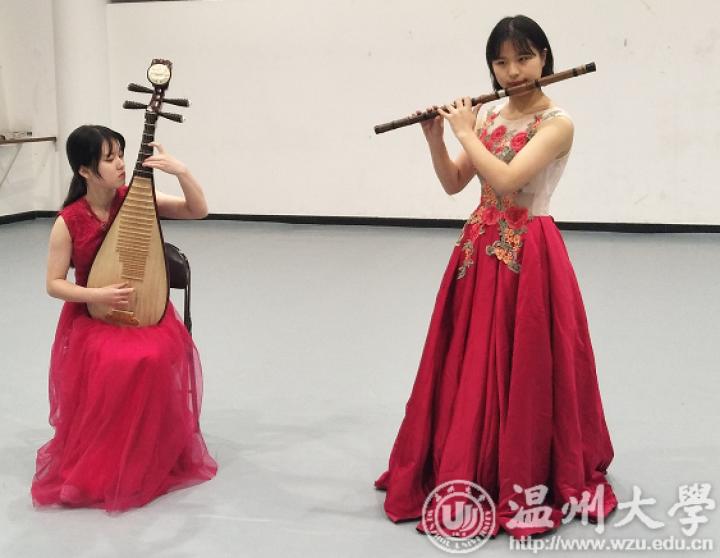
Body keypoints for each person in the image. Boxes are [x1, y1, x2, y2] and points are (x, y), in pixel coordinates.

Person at [375, 15, 617, 538]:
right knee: (470, 358)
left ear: (545, 57)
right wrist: (436, 138)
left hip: (529, 250)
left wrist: (465, 129)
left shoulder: (557, 123)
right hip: (477, 249)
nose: (513, 71)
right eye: (502, 62)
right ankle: (470, 458)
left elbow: (508, 181)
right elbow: (454, 183)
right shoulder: (488, 116)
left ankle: (521, 467)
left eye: (524, 58)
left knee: (523, 359)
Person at [31, 124, 217, 512]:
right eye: (109, 158)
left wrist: (181, 171)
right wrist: (97, 295)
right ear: (85, 170)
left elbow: (197, 210)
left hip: (142, 309)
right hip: (94, 316)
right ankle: (104, 459)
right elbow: (53, 284)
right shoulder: (69, 221)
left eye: (120, 155)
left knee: (152, 355)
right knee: (121, 360)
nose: (120, 164)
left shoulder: (135, 200)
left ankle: (146, 452)